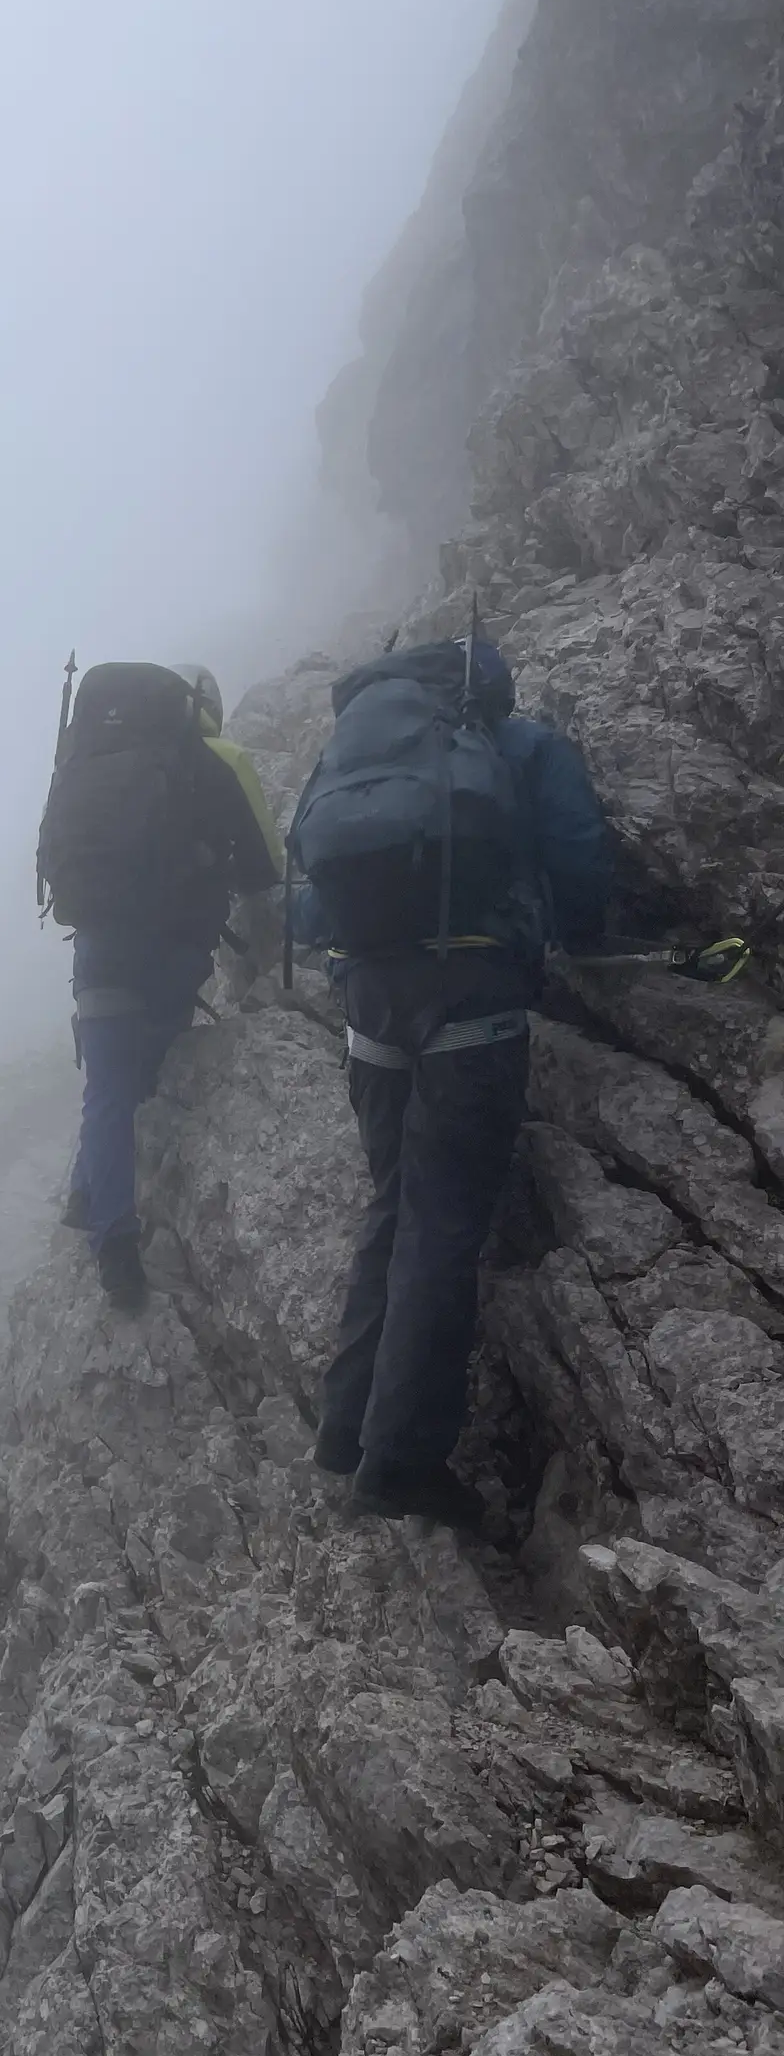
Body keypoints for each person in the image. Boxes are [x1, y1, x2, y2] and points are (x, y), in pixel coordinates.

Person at [290, 634, 610, 1531]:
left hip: (367, 1007)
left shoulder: (351, 764)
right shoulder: (519, 746)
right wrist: (579, 938)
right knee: (441, 1230)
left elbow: (311, 903)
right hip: (468, 1004)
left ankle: (344, 1430)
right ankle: (399, 1465)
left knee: (391, 1207)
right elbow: (578, 850)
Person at [44, 661, 283, 1312]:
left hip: (95, 944)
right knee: (147, 1068)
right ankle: (113, 1231)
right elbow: (264, 866)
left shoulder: (89, 757)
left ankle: (99, 1212)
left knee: (109, 1088)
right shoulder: (216, 756)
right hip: (169, 949)